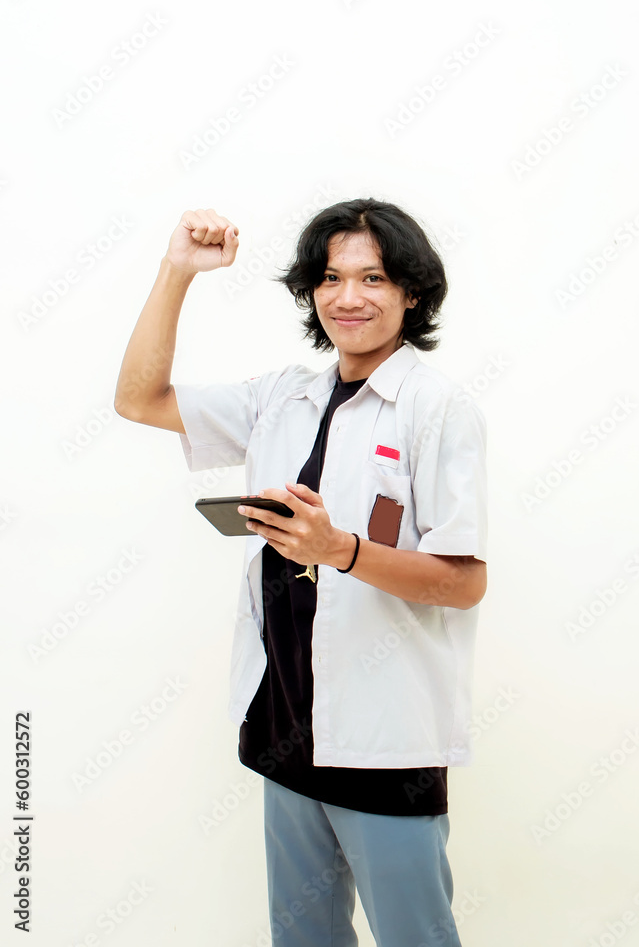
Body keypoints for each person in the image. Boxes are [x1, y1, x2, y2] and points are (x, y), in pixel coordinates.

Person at [114, 199, 488, 947]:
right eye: (330, 277)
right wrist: (178, 271)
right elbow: (138, 399)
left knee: (415, 936)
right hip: (284, 725)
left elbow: (462, 580)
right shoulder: (283, 396)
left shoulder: (437, 407)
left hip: (382, 740)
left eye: (373, 278)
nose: (347, 297)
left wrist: (340, 549)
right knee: (304, 936)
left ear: (412, 293)